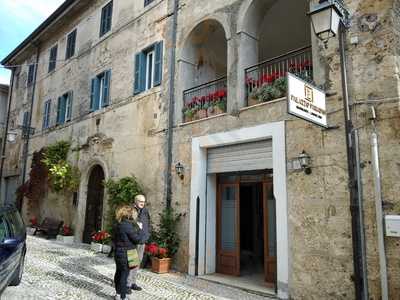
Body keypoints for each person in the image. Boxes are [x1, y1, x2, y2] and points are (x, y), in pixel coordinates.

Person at [113, 205, 144, 300]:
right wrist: (140, 229)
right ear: (129, 214)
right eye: (134, 213)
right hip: (127, 253)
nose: (135, 215)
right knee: (124, 274)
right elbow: (137, 239)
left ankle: (118, 293)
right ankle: (122, 297)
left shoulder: (119, 223)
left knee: (119, 272)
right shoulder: (127, 225)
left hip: (119, 251)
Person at [127, 194, 151, 291]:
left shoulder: (145, 211)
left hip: (142, 240)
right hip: (133, 241)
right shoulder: (131, 211)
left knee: (138, 262)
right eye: (140, 201)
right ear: (135, 201)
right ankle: (127, 284)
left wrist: (147, 234)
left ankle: (133, 282)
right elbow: (127, 225)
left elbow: (148, 223)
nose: (142, 203)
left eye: (144, 202)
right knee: (132, 261)